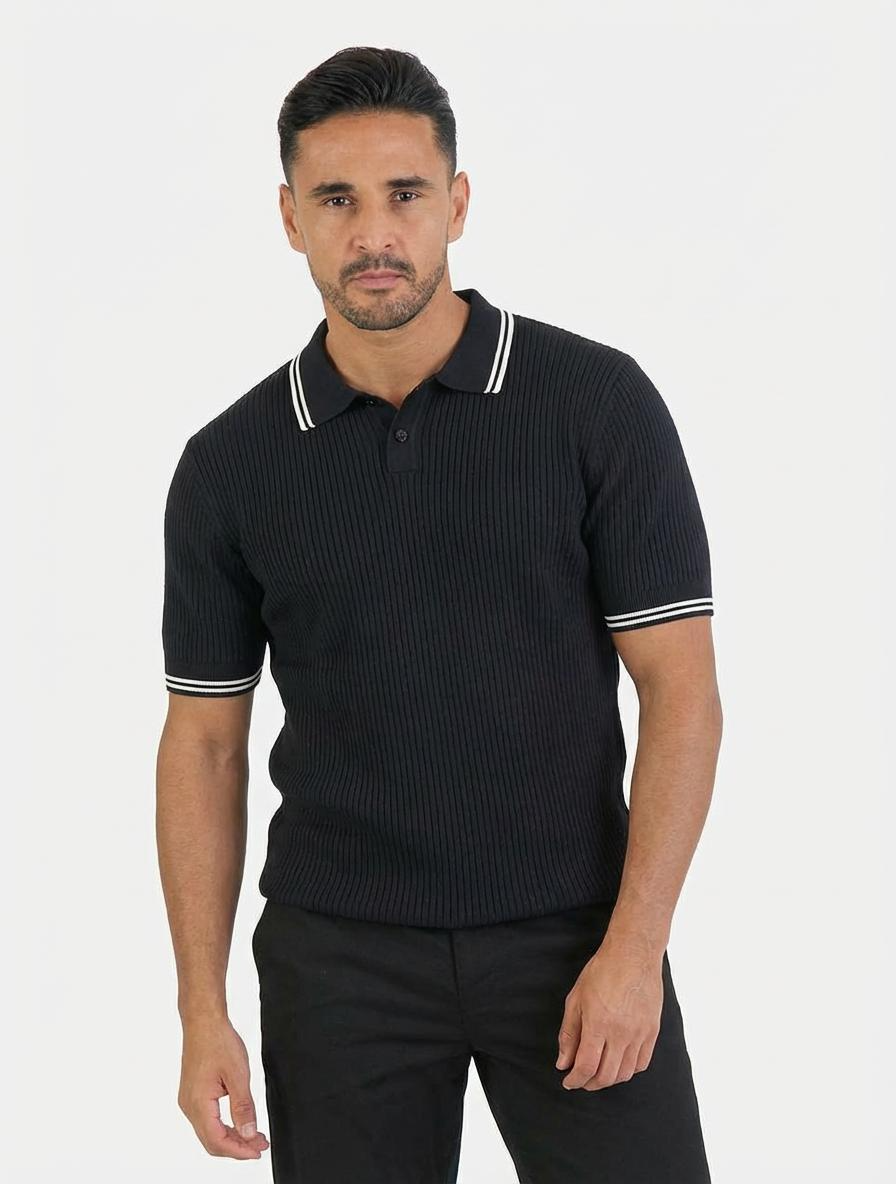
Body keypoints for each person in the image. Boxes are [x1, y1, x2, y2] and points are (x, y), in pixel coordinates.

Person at [156, 45, 723, 1184]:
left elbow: (681, 691)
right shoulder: (230, 465)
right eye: (336, 199)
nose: (375, 234)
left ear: (457, 204)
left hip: (574, 935)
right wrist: (201, 1009)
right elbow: (205, 740)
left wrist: (635, 947)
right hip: (338, 959)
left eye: (405, 194)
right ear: (289, 218)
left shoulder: (593, 404)